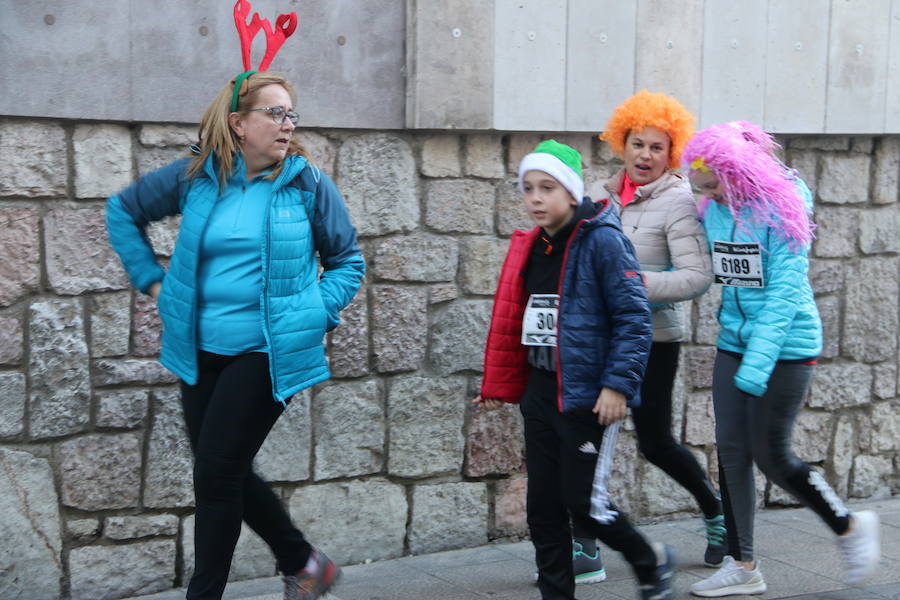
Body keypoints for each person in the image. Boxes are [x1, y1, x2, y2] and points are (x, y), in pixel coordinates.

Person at [106, 70, 365, 600]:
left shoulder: (307, 184)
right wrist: (152, 280)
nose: (287, 123)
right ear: (238, 123)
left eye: (292, 113)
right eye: (275, 112)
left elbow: (347, 262)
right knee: (222, 467)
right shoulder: (198, 178)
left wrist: (312, 310)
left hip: (265, 351)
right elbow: (123, 210)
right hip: (198, 351)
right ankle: (304, 563)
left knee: (217, 472)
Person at [682, 121, 880, 597]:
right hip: (735, 342)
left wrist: (758, 363)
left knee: (773, 456)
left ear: (735, 173)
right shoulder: (715, 209)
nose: (708, 197)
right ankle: (743, 565)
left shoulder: (781, 209)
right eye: (700, 188)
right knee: (731, 454)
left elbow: (785, 293)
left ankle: (850, 526)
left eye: (712, 187)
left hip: (787, 348)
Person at [475, 140, 676, 600]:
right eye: (528, 189)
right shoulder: (533, 245)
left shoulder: (602, 239)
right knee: (542, 508)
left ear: (570, 191)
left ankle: (649, 562)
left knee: (585, 505)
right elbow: (517, 318)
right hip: (541, 393)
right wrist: (499, 384)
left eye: (547, 187)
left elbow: (633, 317)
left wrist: (617, 386)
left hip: (587, 397)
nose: (536, 199)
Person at [587, 91, 726, 575]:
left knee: (655, 443)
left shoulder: (679, 201)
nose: (645, 155)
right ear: (620, 143)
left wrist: (631, 284)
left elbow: (697, 276)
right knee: (582, 438)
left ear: (672, 155)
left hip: (653, 339)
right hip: (596, 340)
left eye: (657, 148)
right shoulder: (599, 197)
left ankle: (715, 512)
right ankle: (585, 545)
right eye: (637, 143)